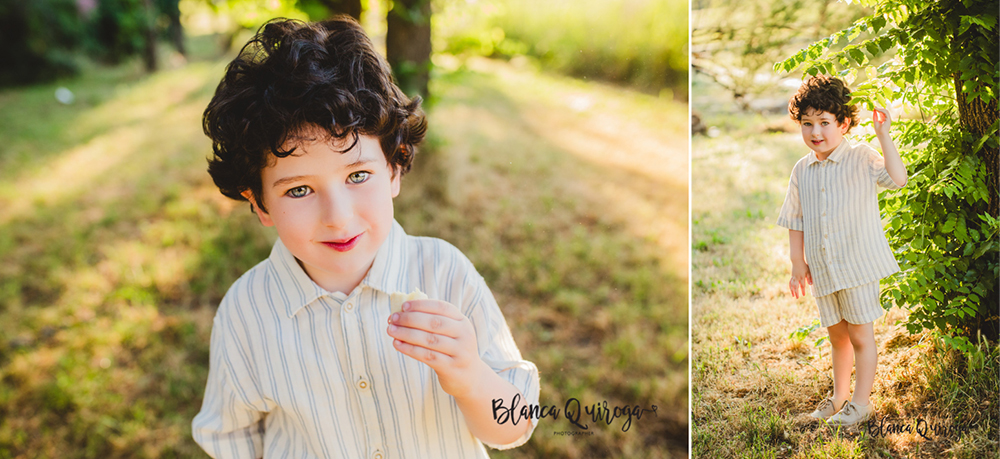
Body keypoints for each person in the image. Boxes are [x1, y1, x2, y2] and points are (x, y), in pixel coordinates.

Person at [191, 17, 539, 458]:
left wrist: (471, 376)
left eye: (357, 175)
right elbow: (230, 437)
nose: (338, 217)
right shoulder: (247, 313)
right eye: (299, 190)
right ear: (259, 203)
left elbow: (514, 424)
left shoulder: (444, 273)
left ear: (394, 166)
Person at [775, 75, 907, 427]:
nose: (815, 132)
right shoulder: (802, 170)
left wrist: (884, 136)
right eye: (807, 124)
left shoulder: (861, 158)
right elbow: (795, 219)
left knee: (861, 335)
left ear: (844, 123)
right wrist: (797, 263)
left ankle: (861, 405)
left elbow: (898, 179)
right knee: (837, 335)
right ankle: (839, 397)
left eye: (824, 123)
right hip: (823, 269)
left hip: (857, 265)